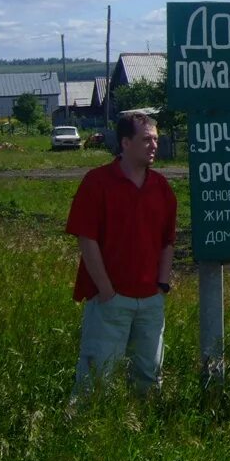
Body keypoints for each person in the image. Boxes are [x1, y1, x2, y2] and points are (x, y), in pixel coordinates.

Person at [66, 113, 177, 396]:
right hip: (110, 301)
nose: (153, 145)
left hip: (150, 301)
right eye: (146, 139)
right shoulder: (98, 182)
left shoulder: (161, 187)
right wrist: (106, 291)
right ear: (125, 143)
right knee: (98, 379)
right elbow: (86, 239)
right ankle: (90, 429)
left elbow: (168, 241)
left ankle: (143, 428)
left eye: (155, 138)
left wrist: (161, 285)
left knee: (149, 375)